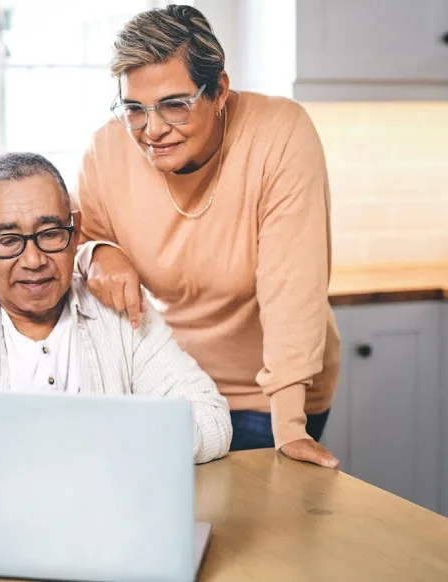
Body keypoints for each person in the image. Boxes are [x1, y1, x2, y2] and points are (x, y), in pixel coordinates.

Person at [0, 152, 233, 495]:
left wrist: (100, 438)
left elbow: (212, 421)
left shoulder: (121, 309)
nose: (34, 259)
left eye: (51, 233)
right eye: (8, 240)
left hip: (110, 525)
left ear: (75, 233)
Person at [74, 5, 340, 468]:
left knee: (264, 533)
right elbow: (82, 247)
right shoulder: (107, 149)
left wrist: (289, 427)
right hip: (175, 385)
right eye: (134, 109)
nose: (152, 130)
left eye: (175, 104)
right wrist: (98, 253)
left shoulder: (279, 133)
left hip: (270, 393)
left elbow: (292, 287)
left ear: (218, 90)